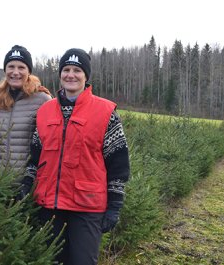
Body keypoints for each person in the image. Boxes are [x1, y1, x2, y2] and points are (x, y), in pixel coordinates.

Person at [21, 48, 130, 265]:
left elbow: (118, 165)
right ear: (60, 74)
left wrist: (114, 205)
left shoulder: (106, 113)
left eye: (77, 70)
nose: (71, 75)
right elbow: (35, 159)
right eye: (66, 70)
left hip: (87, 208)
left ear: (86, 76)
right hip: (49, 207)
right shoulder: (44, 112)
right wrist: (27, 185)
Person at [0, 45, 51, 181]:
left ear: (29, 71)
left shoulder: (42, 99)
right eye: (11, 66)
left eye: (21, 67)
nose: (15, 72)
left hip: (28, 182)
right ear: (5, 70)